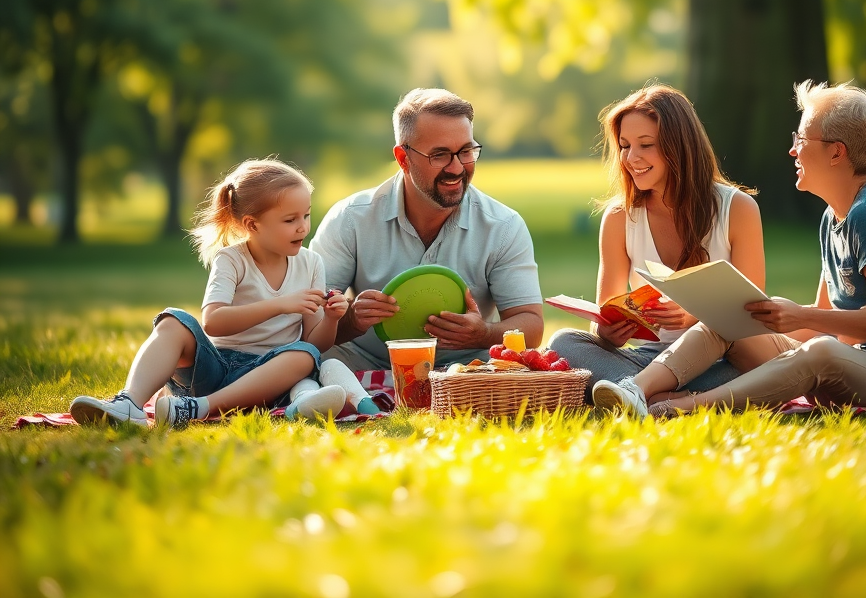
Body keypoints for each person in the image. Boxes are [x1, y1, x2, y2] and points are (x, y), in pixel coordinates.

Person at [591, 81, 866, 417]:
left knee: (820, 351)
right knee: (725, 319)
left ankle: (680, 406)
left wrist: (801, 315)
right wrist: (770, 326)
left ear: (836, 152)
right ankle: (635, 390)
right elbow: (825, 322)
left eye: (801, 138)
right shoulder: (833, 217)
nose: (792, 149)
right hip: (847, 360)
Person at [70, 159, 376, 429]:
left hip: (268, 379)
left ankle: (197, 409)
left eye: (306, 216)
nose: (303, 228)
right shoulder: (231, 259)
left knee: (306, 355)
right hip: (215, 367)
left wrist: (332, 318)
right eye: (290, 220)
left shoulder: (311, 263)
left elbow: (315, 342)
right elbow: (213, 322)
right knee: (173, 320)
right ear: (252, 224)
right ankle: (129, 403)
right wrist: (280, 304)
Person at [548, 84, 765, 398]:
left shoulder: (738, 208)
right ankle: (660, 395)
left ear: (679, 146)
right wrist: (608, 332)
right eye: (624, 146)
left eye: (646, 144)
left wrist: (692, 314)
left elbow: (753, 312)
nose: (631, 157)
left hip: (720, 359)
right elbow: (604, 313)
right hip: (650, 358)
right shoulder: (619, 217)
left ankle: (639, 393)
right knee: (564, 342)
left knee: (759, 367)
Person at [310, 88, 544, 370]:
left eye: (466, 151)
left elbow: (531, 325)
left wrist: (483, 334)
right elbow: (307, 324)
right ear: (403, 158)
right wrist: (351, 320)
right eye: (440, 155)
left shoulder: (504, 226)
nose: (457, 168)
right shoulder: (350, 219)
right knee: (315, 366)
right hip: (362, 365)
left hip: (466, 371)